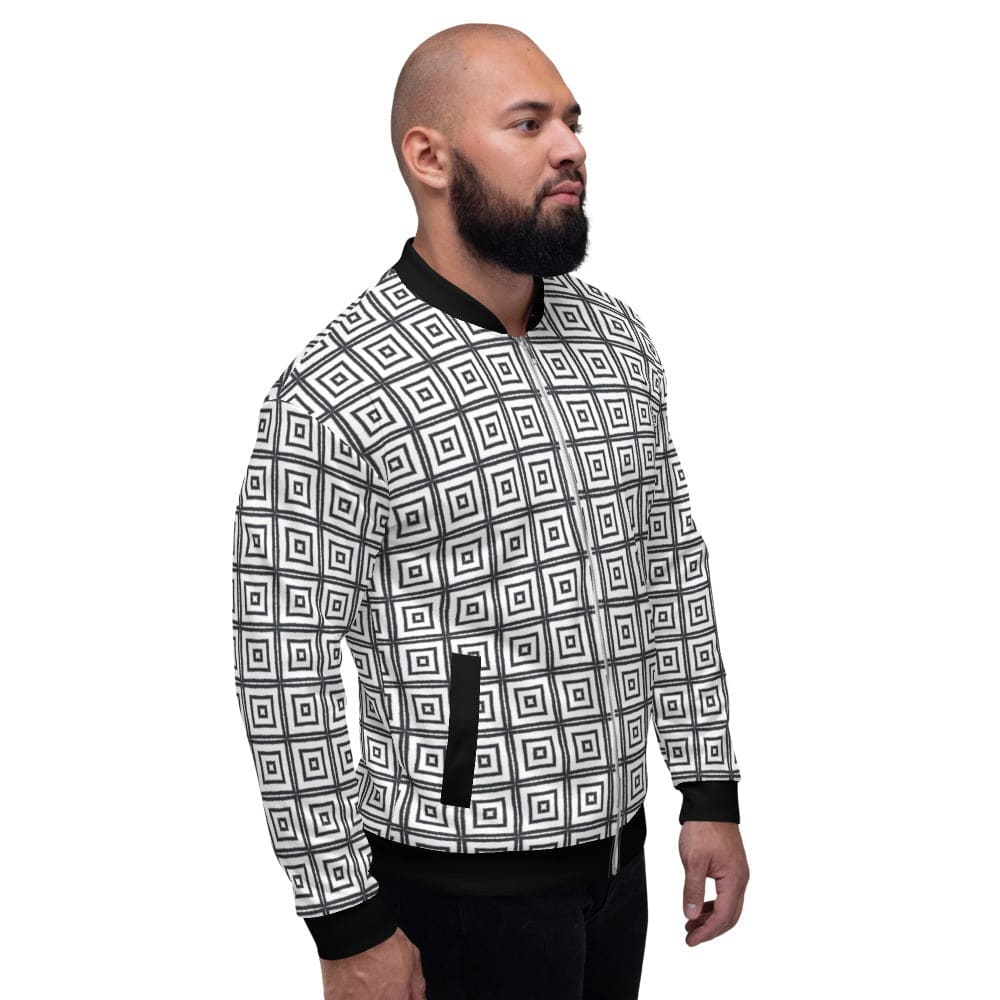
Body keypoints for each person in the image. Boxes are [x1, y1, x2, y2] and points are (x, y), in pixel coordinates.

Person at [231, 21, 749, 1000]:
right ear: (428, 157)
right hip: (452, 896)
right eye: (527, 123)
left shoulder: (617, 339)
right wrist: (344, 921)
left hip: (618, 867)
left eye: (572, 122)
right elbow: (283, 666)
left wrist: (706, 788)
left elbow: (669, 565)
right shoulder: (338, 388)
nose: (570, 148)